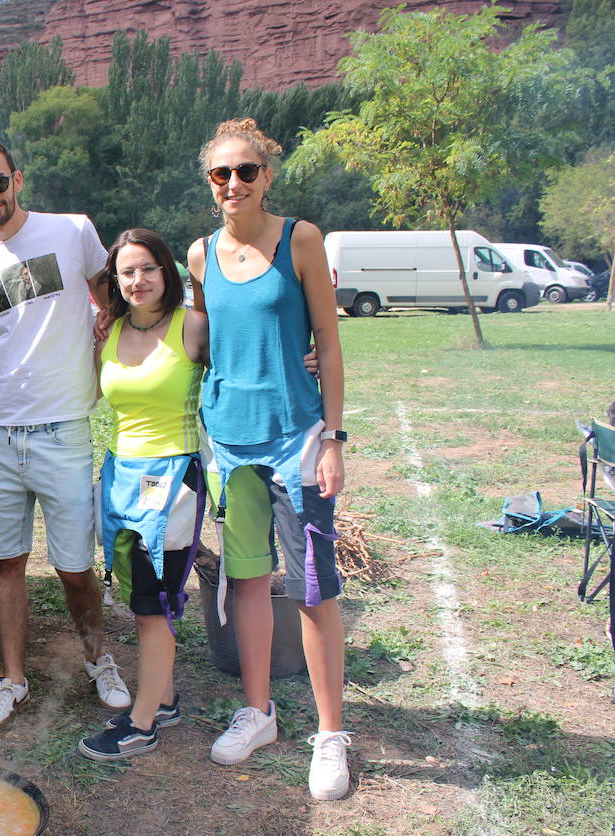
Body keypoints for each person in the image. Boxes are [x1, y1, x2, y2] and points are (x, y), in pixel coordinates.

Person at [187, 118, 350, 800]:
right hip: (230, 440)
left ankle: (331, 735)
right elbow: (199, 336)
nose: (233, 184)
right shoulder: (199, 254)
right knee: (248, 581)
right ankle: (259, 713)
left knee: (313, 589)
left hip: (297, 439)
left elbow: (329, 343)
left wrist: (335, 437)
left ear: (267, 175)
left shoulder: (300, 239)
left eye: (245, 171)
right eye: (220, 174)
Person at [0, 138, 131, 732]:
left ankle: (98, 659)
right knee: (6, 563)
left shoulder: (71, 231)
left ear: (17, 179)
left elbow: (116, 303)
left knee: (76, 568)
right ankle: (13, 679)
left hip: (64, 429)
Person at [77, 229, 206, 760]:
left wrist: (305, 360)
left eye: (147, 268)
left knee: (154, 605)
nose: (137, 280)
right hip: (121, 475)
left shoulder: (193, 326)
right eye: (126, 272)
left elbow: (245, 364)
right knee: (139, 598)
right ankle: (166, 698)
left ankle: (142, 722)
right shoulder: (108, 331)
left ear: (167, 271)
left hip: (173, 479)